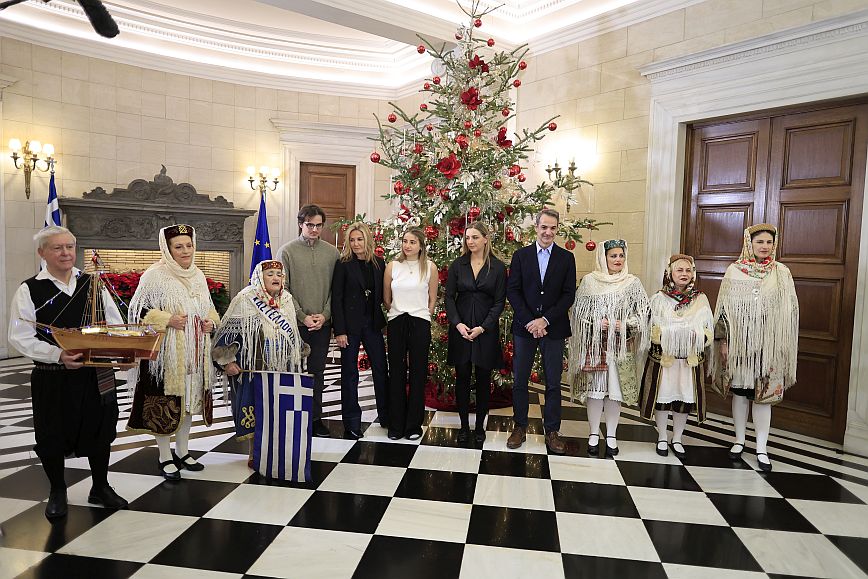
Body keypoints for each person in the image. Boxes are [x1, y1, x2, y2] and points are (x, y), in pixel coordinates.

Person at [8, 226, 128, 519]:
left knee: (101, 430)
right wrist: (57, 355)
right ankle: (57, 490)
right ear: (42, 253)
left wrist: (124, 353)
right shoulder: (29, 289)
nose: (65, 253)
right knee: (52, 433)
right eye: (57, 247)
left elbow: (115, 326)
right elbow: (19, 336)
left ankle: (100, 487)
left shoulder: (93, 284)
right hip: (52, 376)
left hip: (97, 374)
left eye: (70, 247)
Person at [127, 224, 221, 480]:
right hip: (166, 356)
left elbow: (209, 308)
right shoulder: (154, 275)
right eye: (178, 246)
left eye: (189, 245)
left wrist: (211, 323)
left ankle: (182, 451)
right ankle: (164, 457)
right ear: (167, 249)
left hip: (195, 351)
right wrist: (167, 320)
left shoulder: (198, 274)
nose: (185, 251)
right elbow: (137, 312)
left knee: (188, 402)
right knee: (165, 404)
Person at [712, 224, 799, 472]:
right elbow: (723, 311)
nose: (765, 246)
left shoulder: (781, 272)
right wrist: (724, 342)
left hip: (769, 347)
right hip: (741, 346)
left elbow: (791, 310)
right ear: (749, 244)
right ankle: (739, 441)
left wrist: (780, 339)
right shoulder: (734, 271)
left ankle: (761, 448)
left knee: (763, 398)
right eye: (759, 241)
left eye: (769, 242)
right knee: (740, 394)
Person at [212, 260, 307, 465]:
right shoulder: (245, 299)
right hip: (252, 368)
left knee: (279, 409)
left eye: (279, 274)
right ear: (259, 277)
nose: (275, 278)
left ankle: (277, 450)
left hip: (282, 367)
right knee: (254, 409)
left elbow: (293, 332)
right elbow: (226, 335)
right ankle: (255, 451)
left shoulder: (287, 300)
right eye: (270, 274)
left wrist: (298, 352)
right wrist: (227, 362)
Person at [568, 239, 650, 457]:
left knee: (615, 393)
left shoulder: (633, 283)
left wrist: (624, 325)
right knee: (595, 392)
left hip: (620, 347)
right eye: (613, 256)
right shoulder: (589, 282)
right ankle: (594, 433)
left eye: (621, 255)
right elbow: (577, 314)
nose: (618, 260)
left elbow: (644, 314)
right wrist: (596, 322)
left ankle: (611, 435)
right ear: (603, 258)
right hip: (595, 346)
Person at [506, 208, 577, 454]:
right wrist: (531, 321)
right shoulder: (521, 256)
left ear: (557, 230)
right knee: (520, 380)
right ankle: (519, 426)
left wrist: (545, 320)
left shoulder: (566, 258)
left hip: (553, 328)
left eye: (552, 228)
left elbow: (568, 295)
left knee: (553, 382)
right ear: (536, 227)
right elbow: (513, 290)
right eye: (544, 227)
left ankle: (552, 431)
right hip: (524, 328)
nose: (548, 232)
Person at [640, 254, 713, 459]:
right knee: (663, 398)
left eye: (688, 270)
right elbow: (651, 329)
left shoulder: (701, 298)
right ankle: (662, 436)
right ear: (670, 273)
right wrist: (668, 334)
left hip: (688, 361)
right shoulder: (659, 298)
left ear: (693, 274)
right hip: (666, 360)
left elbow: (708, 331)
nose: (684, 274)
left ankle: (678, 438)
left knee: (684, 400)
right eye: (679, 270)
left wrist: (696, 335)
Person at [278, 204, 339, 438]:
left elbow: (336, 290)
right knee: (293, 372)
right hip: (293, 325)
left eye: (318, 225)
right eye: (309, 225)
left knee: (317, 373)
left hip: (322, 324)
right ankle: (292, 418)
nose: (314, 229)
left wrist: (325, 315)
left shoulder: (332, 253)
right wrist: (302, 316)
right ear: (300, 224)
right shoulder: (286, 252)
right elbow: (282, 290)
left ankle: (315, 419)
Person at [445, 222, 507, 444]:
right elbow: (449, 297)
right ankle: (464, 426)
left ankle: (480, 426)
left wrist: (483, 327)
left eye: (475, 237)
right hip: (461, 329)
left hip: (485, 330)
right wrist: (458, 324)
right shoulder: (458, 265)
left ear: (485, 239)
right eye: (467, 237)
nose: (470, 241)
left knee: (483, 379)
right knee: (462, 377)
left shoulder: (497, 267)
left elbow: (499, 302)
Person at [332, 222, 389, 439]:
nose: (356, 244)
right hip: (349, 327)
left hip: (373, 324)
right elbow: (337, 299)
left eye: (360, 239)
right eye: (352, 240)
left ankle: (386, 416)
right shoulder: (343, 264)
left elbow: (384, 295)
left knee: (381, 370)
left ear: (368, 240)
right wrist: (339, 330)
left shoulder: (379, 263)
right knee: (349, 374)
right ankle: (352, 423)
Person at [383, 227, 438, 440]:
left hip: (420, 322)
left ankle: (413, 425)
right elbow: (386, 298)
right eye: (405, 241)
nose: (407, 245)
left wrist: (424, 314)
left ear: (421, 245)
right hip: (397, 321)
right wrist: (397, 312)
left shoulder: (430, 267)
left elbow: (432, 298)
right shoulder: (393, 266)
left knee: (418, 372)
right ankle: (396, 424)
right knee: (396, 372)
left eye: (412, 242)